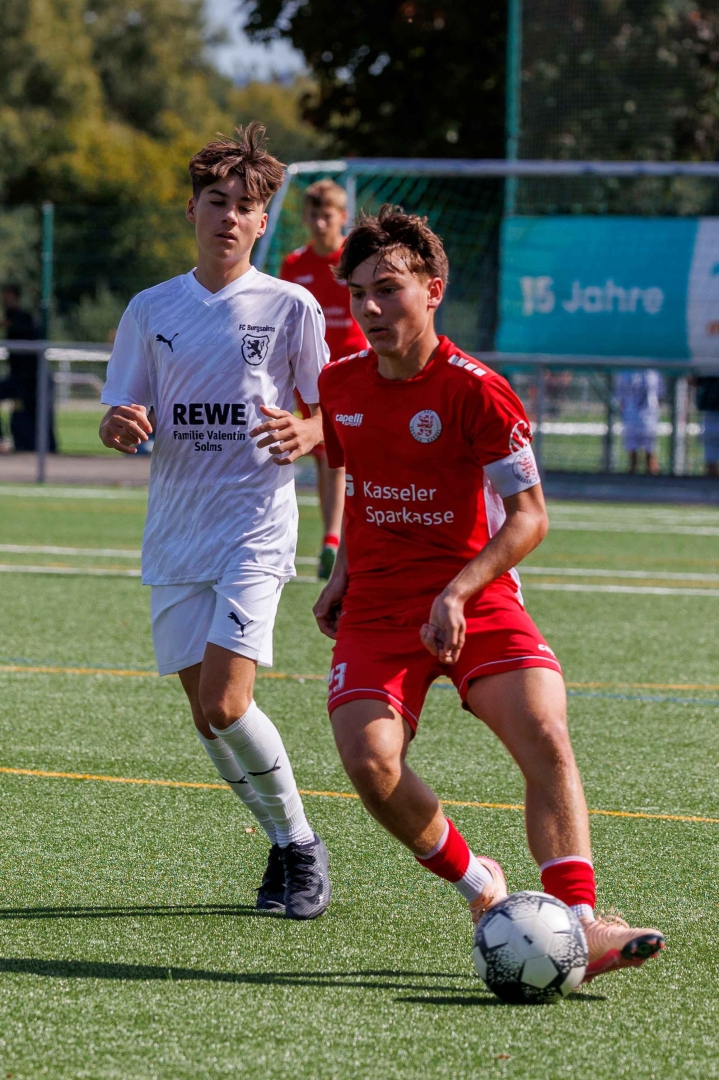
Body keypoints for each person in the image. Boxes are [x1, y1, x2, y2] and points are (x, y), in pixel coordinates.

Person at [313, 206, 665, 982]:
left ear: (432, 290)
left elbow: (529, 517)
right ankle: (481, 886)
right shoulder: (338, 384)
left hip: (475, 597)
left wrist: (457, 591)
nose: (369, 307)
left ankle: (580, 923)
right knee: (369, 763)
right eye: (358, 293)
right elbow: (353, 476)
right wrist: (340, 569)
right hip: (377, 607)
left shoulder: (478, 391)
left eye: (387, 289)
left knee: (543, 730)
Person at [99, 123, 331, 919]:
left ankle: (300, 846)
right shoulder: (151, 308)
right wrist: (120, 424)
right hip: (175, 531)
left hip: (253, 528)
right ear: (191, 210)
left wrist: (309, 431)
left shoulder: (291, 306)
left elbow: (336, 413)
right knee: (207, 717)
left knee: (229, 703)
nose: (228, 215)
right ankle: (283, 844)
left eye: (243, 205)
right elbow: (120, 411)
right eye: (215, 200)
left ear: (263, 222)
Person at [280, 180, 367, 579]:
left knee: (353, 456)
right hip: (314, 375)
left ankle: (346, 540)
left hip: (356, 369)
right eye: (313, 215)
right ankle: (332, 541)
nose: (319, 223)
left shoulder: (356, 258)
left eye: (327, 216)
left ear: (342, 217)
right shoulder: (294, 264)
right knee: (327, 457)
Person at [0, 284, 57, 452]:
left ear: (15, 297)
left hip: (31, 379)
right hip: (22, 379)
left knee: (38, 417)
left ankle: (47, 449)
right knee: (29, 416)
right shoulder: (16, 319)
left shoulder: (22, 319)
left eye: (7, 297)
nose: (5, 301)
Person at [615, 369, 662, 475]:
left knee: (651, 459)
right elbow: (621, 398)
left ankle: (653, 481)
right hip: (631, 419)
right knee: (633, 460)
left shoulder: (653, 373)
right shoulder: (625, 373)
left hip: (649, 419)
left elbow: (659, 395)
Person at [695, 376, 719, 477]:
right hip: (710, 415)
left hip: (710, 416)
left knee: (711, 460)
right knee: (711, 460)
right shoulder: (707, 373)